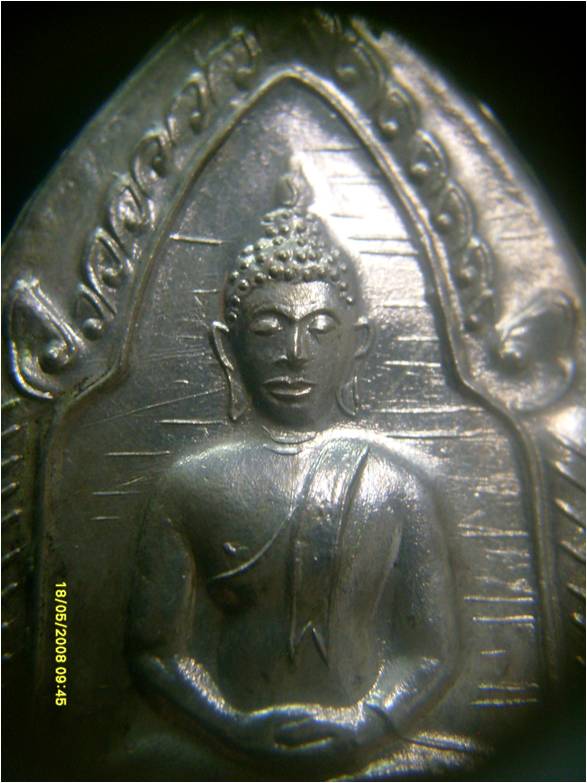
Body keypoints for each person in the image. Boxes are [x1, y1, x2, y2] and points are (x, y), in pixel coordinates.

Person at [127, 177, 459, 775]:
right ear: (228, 347)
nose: (296, 352)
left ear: (358, 342)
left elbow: (429, 652)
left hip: (370, 739)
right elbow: (155, 653)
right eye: (268, 328)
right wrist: (229, 729)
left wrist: (370, 725)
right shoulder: (191, 485)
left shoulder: (396, 484)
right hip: (225, 741)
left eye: (322, 328)